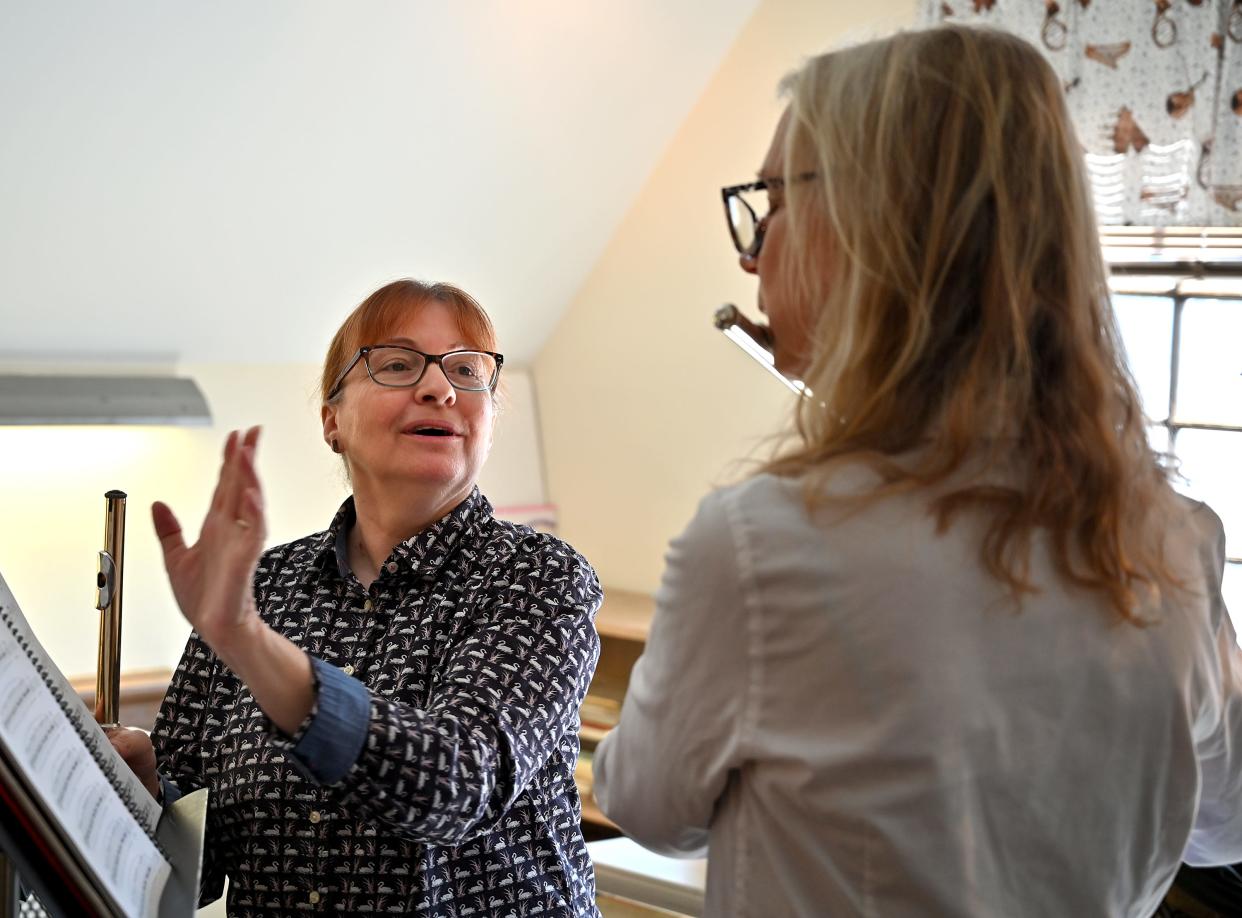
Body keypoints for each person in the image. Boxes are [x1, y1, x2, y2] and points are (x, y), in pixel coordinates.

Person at [592, 25, 1242, 917]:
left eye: (771, 202)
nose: (751, 253)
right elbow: (1224, 822)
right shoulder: (1175, 535)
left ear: (877, 229)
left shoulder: (761, 543)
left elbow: (646, 809)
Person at [109, 279, 604, 916]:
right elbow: (194, 869)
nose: (440, 388)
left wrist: (251, 645)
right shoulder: (258, 588)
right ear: (332, 421)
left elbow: (453, 786)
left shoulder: (537, 577)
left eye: (467, 369)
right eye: (397, 364)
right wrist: (144, 783)